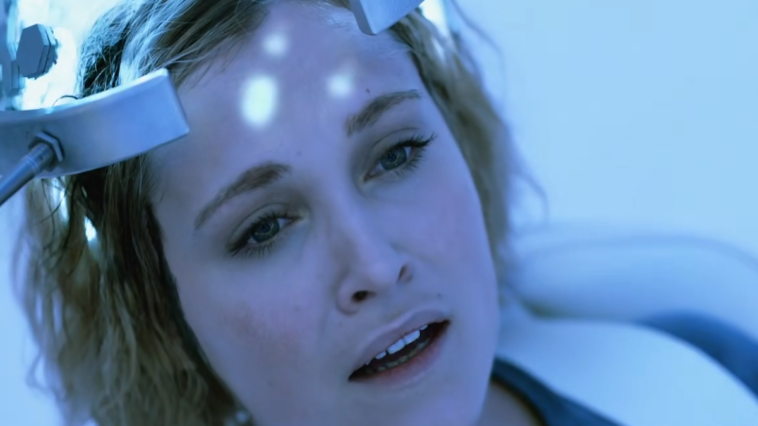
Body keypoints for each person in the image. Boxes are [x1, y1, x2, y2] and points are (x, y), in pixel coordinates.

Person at [14, 0, 758, 425]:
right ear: (160, 319)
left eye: (395, 155)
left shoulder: (700, 367)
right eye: (263, 228)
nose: (373, 264)